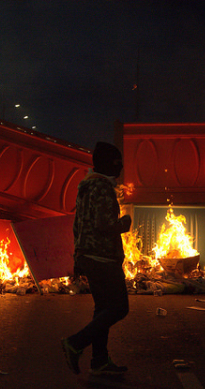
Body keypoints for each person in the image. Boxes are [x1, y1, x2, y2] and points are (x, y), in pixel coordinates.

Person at [61, 142, 131, 376]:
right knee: (119, 308)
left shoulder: (86, 186)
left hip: (89, 255)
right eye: (117, 163)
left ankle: (99, 361)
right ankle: (76, 343)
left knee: (103, 309)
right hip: (103, 258)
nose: (120, 168)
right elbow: (104, 225)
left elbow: (77, 224)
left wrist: (77, 256)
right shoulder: (102, 188)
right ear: (109, 165)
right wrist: (124, 223)